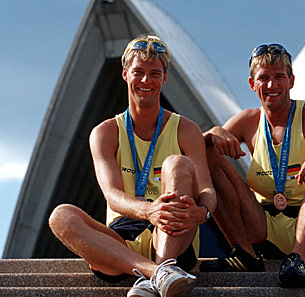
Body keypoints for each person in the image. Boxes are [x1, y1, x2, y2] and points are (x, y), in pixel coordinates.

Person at [48, 34, 216, 297]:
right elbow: (112, 195)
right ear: (125, 74)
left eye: (154, 73)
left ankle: (164, 264)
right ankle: (158, 274)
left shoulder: (186, 129)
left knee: (177, 163)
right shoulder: (105, 132)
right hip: (122, 239)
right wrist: (149, 211)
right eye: (139, 72)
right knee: (60, 216)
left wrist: (203, 212)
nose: (146, 80)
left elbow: (206, 189)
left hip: (172, 232)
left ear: (165, 77)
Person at [201, 43, 305, 288]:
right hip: (264, 226)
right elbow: (194, 149)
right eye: (263, 78)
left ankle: (297, 259)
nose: (271, 85)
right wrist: (213, 133)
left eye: (279, 77)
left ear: (291, 80)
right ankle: (244, 253)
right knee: (208, 151)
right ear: (251, 84)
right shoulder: (249, 120)